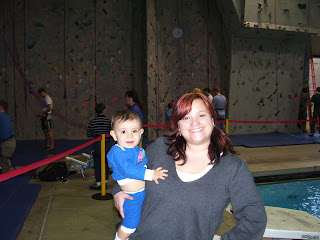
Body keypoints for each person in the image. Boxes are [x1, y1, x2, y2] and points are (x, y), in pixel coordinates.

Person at [113, 93, 267, 240]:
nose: (194, 123)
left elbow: (254, 219)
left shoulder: (233, 168)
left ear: (213, 120)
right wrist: (118, 191)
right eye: (186, 117)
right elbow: (126, 167)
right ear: (178, 125)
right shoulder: (160, 149)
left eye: (201, 115)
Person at [107, 110, 168, 240]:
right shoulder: (118, 151)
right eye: (123, 132)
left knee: (141, 223)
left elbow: (145, 164)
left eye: (134, 131)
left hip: (143, 194)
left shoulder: (138, 150)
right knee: (130, 226)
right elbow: (128, 169)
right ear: (114, 135)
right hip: (131, 198)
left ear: (141, 132)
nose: (129, 136)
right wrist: (151, 174)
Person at [87, 103, 114, 190]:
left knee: (97, 164)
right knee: (105, 163)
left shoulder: (92, 122)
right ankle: (105, 182)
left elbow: (89, 133)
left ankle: (98, 182)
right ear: (104, 111)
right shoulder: (108, 121)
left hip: (97, 145)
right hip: (106, 144)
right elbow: (111, 133)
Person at [0, 100, 16, 174]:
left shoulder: (1, 116)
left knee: (5, 170)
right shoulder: (6, 116)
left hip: (6, 144)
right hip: (9, 142)